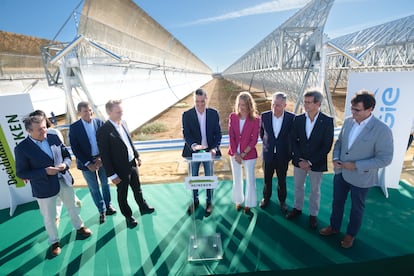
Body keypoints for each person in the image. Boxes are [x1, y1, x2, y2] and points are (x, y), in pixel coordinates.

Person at [319, 90, 393, 248]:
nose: (353, 113)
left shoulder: (382, 130)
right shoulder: (348, 121)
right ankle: (334, 227)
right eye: (352, 109)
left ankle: (350, 235)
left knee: (356, 208)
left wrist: (357, 165)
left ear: (370, 109)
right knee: (337, 202)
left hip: (362, 177)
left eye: (357, 110)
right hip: (341, 173)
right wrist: (336, 158)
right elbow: (339, 142)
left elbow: (385, 159)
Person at [15, 114, 92, 257]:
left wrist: (65, 165)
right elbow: (21, 172)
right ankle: (54, 242)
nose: (44, 131)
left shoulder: (53, 137)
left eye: (44, 127)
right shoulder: (22, 148)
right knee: (49, 218)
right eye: (39, 129)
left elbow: (67, 156)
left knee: (72, 207)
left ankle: (79, 227)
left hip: (64, 180)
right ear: (29, 131)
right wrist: (44, 171)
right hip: (44, 188)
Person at [96, 99, 154, 228]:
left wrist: (136, 156)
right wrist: (111, 175)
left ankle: (143, 207)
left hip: (132, 163)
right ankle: (128, 217)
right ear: (109, 112)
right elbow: (105, 156)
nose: (121, 114)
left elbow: (129, 142)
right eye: (118, 112)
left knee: (137, 188)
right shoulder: (103, 131)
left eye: (121, 111)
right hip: (119, 169)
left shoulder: (123, 123)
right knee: (123, 194)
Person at [286, 89, 334, 229]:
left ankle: (313, 215)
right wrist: (300, 160)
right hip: (299, 162)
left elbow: (326, 146)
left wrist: (310, 162)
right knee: (298, 187)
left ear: (317, 103)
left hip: (316, 163)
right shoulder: (298, 119)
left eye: (308, 102)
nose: (305, 105)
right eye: (304, 102)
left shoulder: (327, 121)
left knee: (315, 190)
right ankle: (297, 208)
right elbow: (293, 141)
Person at [29, 110, 81, 226]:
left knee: (65, 197)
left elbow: (61, 151)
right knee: (59, 199)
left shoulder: (53, 133)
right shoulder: (33, 140)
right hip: (50, 178)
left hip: (60, 173)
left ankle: (66, 219)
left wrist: (63, 164)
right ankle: (57, 218)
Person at [69, 102, 116, 224]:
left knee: (105, 183)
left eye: (90, 110)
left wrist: (101, 158)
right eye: (85, 111)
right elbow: (75, 148)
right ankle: (102, 210)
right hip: (86, 164)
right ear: (79, 112)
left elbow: (106, 142)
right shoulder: (74, 127)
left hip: (102, 160)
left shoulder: (99, 123)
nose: (89, 113)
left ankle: (108, 205)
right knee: (94, 188)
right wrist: (88, 163)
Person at [182, 88, 222, 217]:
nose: (200, 104)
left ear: (206, 99)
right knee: (194, 177)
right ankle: (195, 201)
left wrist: (214, 148)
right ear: (194, 100)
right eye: (197, 101)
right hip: (194, 151)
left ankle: (209, 202)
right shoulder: (186, 115)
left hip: (209, 151)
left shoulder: (213, 113)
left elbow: (218, 133)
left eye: (202, 101)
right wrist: (194, 145)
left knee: (208, 177)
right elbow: (186, 134)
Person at [259, 92, 295, 213]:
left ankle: (282, 201)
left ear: (285, 105)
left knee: (282, 180)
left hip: (283, 156)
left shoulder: (291, 118)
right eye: (273, 104)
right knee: (267, 180)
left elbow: (293, 137)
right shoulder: (264, 116)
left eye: (278, 105)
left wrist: (289, 154)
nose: (275, 107)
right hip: (268, 155)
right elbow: (262, 133)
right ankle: (266, 198)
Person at [228, 91, 261, 214]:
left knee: (250, 179)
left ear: (249, 105)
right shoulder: (233, 116)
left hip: (249, 154)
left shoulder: (256, 119)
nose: (242, 107)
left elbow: (254, 140)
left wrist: (243, 154)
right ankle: (238, 200)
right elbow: (231, 136)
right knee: (237, 179)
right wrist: (235, 154)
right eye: (240, 104)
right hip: (234, 154)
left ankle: (249, 203)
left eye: (244, 105)